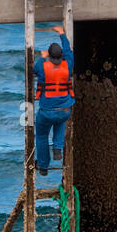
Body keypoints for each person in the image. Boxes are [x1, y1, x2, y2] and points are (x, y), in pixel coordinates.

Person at [33, 24, 74, 176]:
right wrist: (62, 34)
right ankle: (58, 147)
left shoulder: (43, 67)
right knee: (61, 119)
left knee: (42, 136)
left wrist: (42, 57)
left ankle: (43, 167)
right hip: (64, 110)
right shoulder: (68, 65)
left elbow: (34, 69)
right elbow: (69, 52)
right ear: (61, 56)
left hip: (47, 112)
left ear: (49, 56)